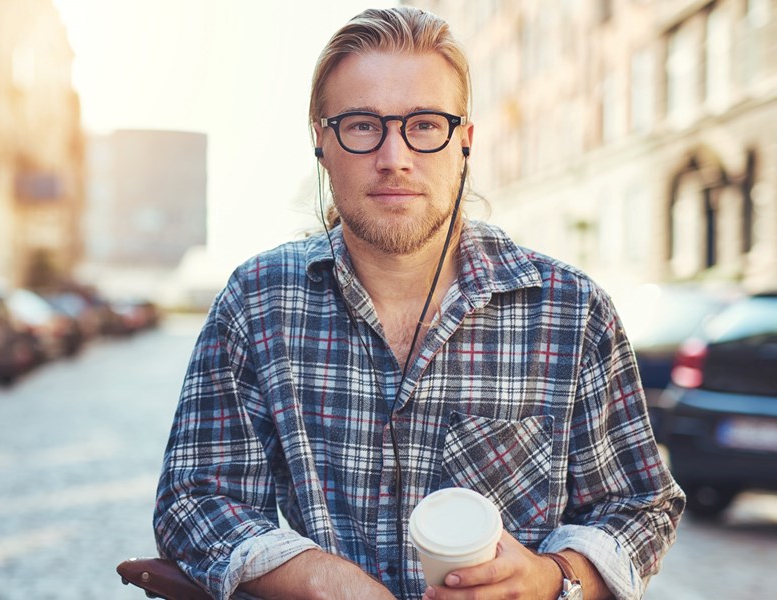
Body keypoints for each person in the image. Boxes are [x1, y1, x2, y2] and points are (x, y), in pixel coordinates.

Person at [153, 7, 685, 600]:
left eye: (425, 125)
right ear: (322, 145)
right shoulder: (257, 303)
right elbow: (194, 499)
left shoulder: (571, 311)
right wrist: (321, 579)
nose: (394, 157)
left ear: (464, 143)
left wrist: (549, 578)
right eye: (361, 125)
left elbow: (641, 506)